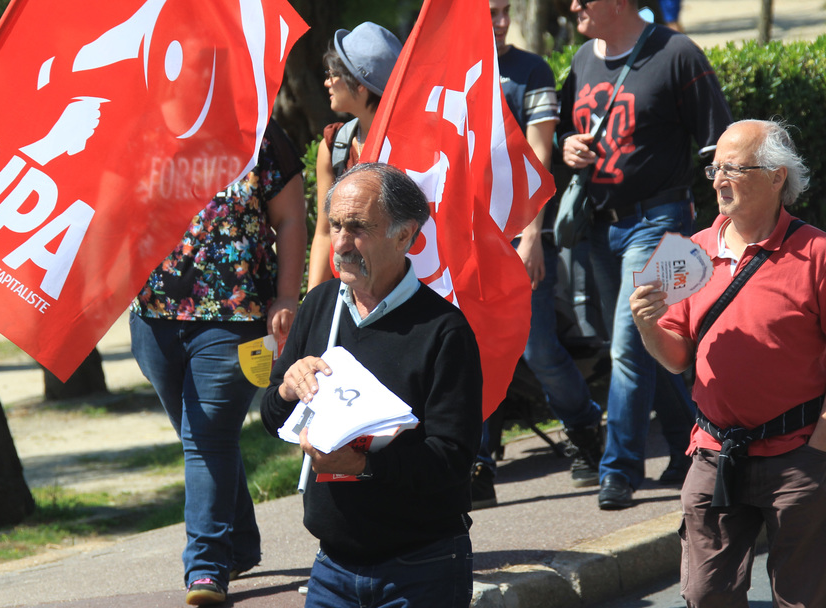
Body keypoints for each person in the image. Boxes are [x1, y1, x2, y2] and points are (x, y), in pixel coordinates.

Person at [261, 163, 482, 608]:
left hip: (421, 567)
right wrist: (287, 389)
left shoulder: (443, 331)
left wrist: (361, 465)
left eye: (359, 228)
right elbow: (272, 417)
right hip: (332, 565)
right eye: (336, 225)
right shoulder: (321, 305)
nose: (341, 242)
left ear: (405, 236)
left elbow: (452, 461)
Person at [630, 119, 826, 607]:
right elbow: (676, 359)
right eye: (714, 168)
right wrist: (647, 324)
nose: (717, 179)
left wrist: (822, 438)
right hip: (714, 454)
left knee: (803, 598)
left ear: (777, 176)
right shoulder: (685, 251)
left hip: (799, 456)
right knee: (704, 595)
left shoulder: (818, 252)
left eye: (733, 169)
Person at [559, 0, 732, 510]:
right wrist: (569, 145)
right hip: (599, 225)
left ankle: (619, 470)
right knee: (648, 346)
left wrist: (721, 225)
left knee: (626, 346)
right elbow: (568, 133)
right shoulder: (581, 60)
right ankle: (690, 445)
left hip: (660, 221)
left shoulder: (677, 53)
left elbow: (716, 141)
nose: (572, 7)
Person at [129, 119, 306, 606]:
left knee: (204, 438)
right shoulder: (137, 127)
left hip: (234, 318)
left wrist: (288, 295)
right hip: (152, 317)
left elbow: (291, 217)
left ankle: (206, 568)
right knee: (202, 436)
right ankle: (241, 542)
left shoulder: (258, 132)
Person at [472, 0, 604, 509]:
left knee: (537, 350)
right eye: (489, 13)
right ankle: (478, 463)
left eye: (504, 11)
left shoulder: (531, 71)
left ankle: (584, 426)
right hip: (469, 243)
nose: (500, 22)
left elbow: (538, 157)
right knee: (476, 353)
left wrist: (531, 236)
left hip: (521, 236)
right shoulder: (453, 76)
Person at [306, 22, 402, 291]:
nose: (327, 82)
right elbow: (325, 232)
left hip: (403, 293)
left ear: (360, 85)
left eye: (333, 73)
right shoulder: (334, 144)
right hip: (347, 293)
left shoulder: (416, 148)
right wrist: (311, 307)